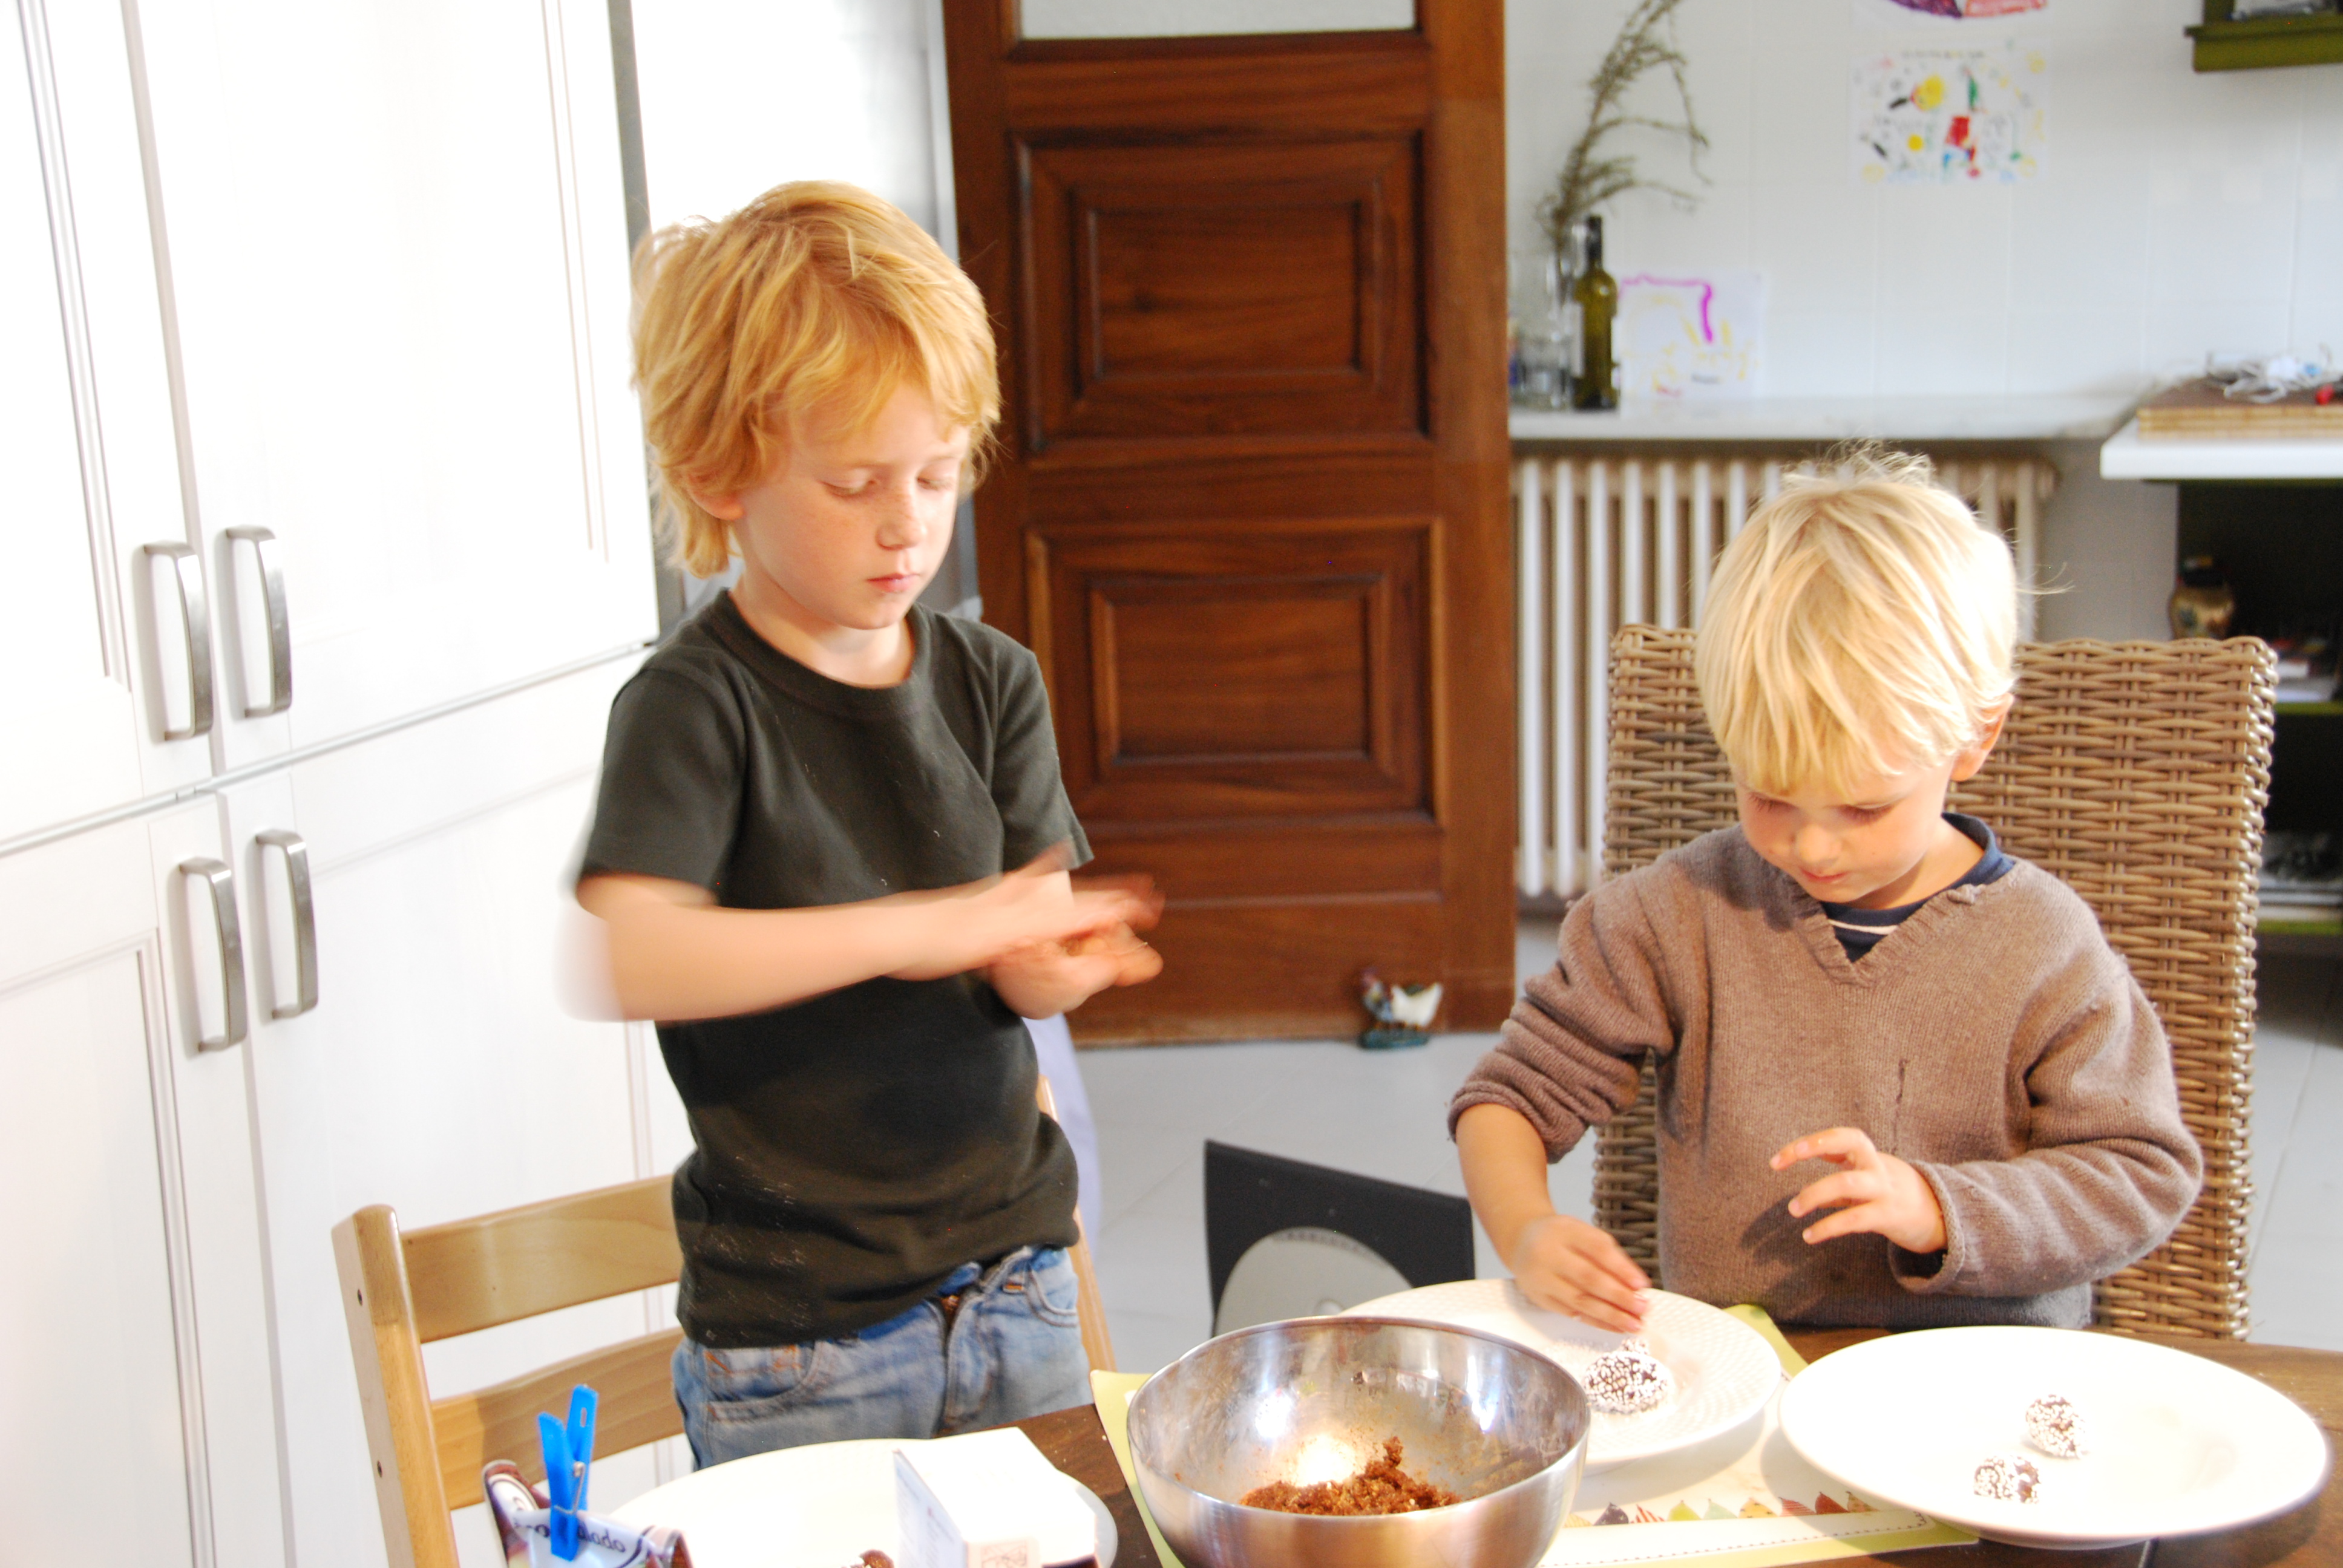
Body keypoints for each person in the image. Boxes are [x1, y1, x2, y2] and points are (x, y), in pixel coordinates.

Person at [575, 181, 1161, 1467]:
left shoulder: (993, 681)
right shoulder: (694, 706)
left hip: (1015, 1285)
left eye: (938, 474)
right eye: (854, 483)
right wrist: (915, 929)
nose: (909, 523)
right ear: (716, 473)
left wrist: (1050, 959)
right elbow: (632, 954)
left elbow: (1018, 953)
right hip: (803, 1343)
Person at [1452, 452, 2201, 1334]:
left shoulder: (2046, 944)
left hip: (1984, 1377)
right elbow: (1509, 1100)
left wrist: (1942, 1208)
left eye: (1865, 807)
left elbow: (2138, 1173)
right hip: (1748, 1373)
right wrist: (1527, 1230)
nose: (1811, 846)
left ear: (1975, 737)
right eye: (1769, 796)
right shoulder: (1674, 914)